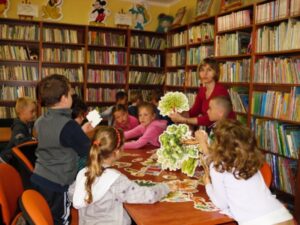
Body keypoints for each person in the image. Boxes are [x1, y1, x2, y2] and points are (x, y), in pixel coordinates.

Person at [196, 119, 294, 225]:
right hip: (282, 216)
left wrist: (208, 185)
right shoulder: (250, 161)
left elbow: (221, 204)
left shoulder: (218, 167)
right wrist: (204, 146)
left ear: (218, 145)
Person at [69, 126, 172, 225]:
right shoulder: (115, 179)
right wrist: (166, 187)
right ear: (117, 152)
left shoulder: (83, 173)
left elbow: (72, 195)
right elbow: (148, 196)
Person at [31, 74, 93, 225]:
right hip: (57, 184)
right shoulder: (69, 125)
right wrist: (84, 133)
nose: (72, 96)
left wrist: (78, 132)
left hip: (38, 177)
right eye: (71, 93)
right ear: (65, 98)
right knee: (61, 220)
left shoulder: (39, 121)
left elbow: (54, 141)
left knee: (44, 216)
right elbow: (88, 150)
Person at [169, 57, 235, 127]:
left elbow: (209, 119)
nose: (205, 73)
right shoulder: (202, 90)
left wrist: (183, 120)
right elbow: (194, 112)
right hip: (213, 129)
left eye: (209, 70)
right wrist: (179, 114)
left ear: (216, 72)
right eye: (202, 70)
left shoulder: (220, 91)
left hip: (227, 129)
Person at [0, 96, 37, 163]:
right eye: (32, 111)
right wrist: (32, 139)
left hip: (16, 156)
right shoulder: (18, 127)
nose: (34, 114)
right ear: (21, 112)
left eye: (35, 111)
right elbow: (19, 142)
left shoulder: (28, 124)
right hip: (8, 159)